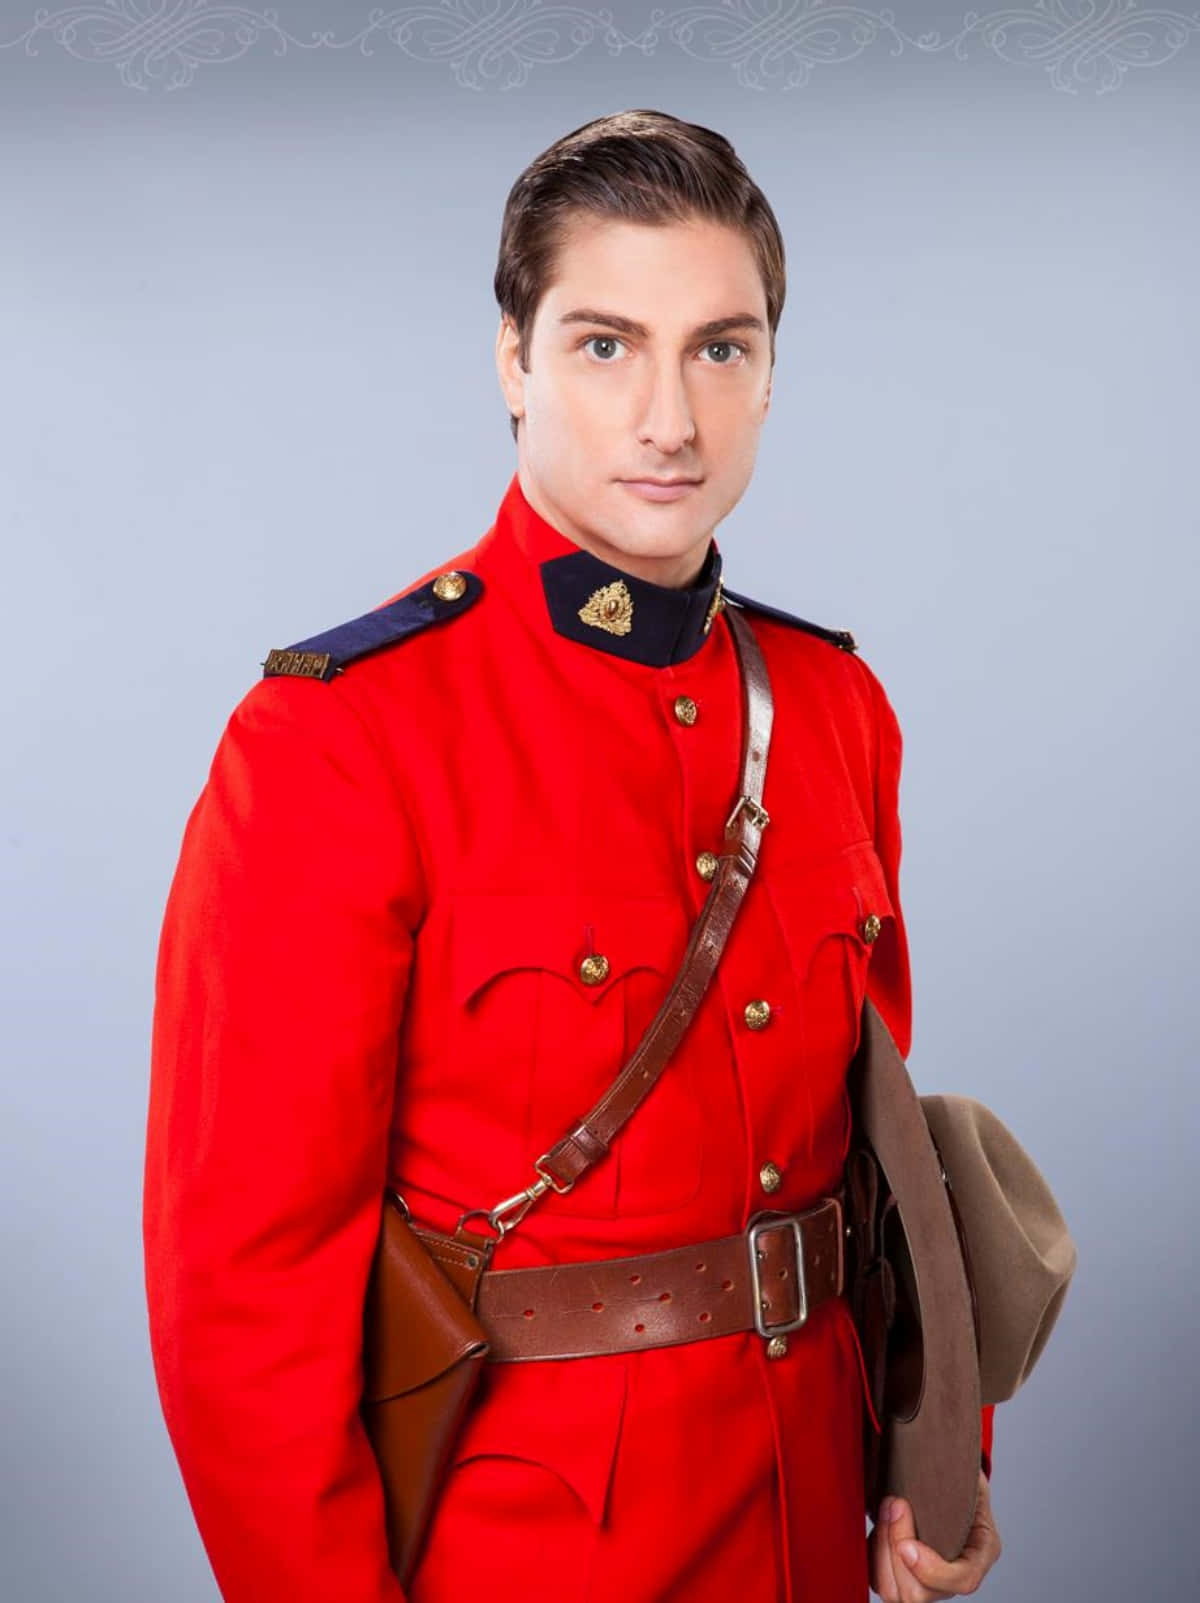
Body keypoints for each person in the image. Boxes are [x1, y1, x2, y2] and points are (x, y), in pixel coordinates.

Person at [142, 108, 1003, 1603]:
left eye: (719, 349)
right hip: (531, 1551)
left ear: (772, 375)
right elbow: (244, 1294)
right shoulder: (344, 737)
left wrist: (937, 1455)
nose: (668, 417)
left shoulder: (832, 711)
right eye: (607, 344)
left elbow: (883, 1156)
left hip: (808, 1519)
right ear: (512, 362)